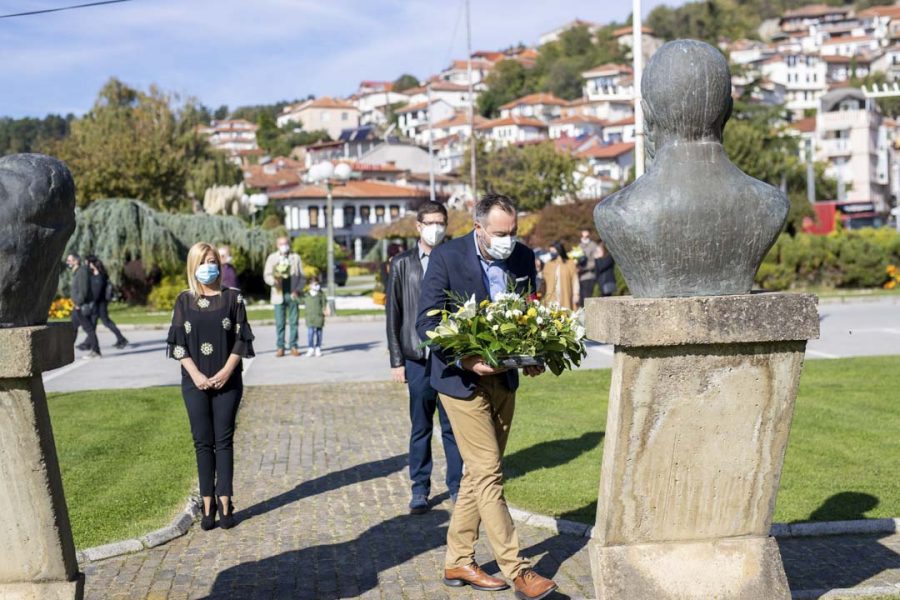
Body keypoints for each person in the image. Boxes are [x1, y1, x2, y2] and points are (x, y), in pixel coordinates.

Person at [416, 193, 558, 600]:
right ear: (478, 227)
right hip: (460, 382)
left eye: (513, 231)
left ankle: (458, 559)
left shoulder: (522, 257)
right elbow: (426, 323)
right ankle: (519, 570)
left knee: (477, 476)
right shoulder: (446, 258)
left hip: (504, 380)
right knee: (489, 472)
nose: (507, 240)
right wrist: (465, 357)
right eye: (499, 233)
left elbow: (528, 312)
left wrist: (534, 355)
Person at [166, 242, 254, 531]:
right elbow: (178, 345)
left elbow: (242, 339)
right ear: (193, 266)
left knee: (223, 441)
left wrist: (227, 371)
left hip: (228, 381)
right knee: (202, 442)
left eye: (213, 261)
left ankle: (225, 501)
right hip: (195, 383)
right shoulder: (183, 301)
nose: (208, 267)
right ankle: (207, 504)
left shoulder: (233, 298)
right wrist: (196, 375)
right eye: (203, 262)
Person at [386, 201, 463, 515]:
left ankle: (458, 487)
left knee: (452, 426)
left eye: (440, 222)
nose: (435, 228)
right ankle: (420, 488)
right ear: (418, 226)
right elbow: (394, 313)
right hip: (417, 357)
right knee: (421, 427)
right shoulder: (402, 264)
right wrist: (396, 360)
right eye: (430, 222)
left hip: (449, 358)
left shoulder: (455, 258)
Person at [263, 237, 304, 357]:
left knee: (294, 322)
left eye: (285, 243)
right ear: (277, 245)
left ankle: (294, 346)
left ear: (289, 244)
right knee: (280, 323)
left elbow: (302, 277)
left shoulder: (296, 258)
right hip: (278, 295)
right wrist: (274, 281)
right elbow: (267, 275)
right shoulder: (272, 258)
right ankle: (280, 347)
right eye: (281, 244)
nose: (284, 246)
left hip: (292, 294)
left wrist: (298, 290)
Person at [82, 256, 128, 350]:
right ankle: (87, 343)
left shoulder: (100, 275)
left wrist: (92, 300)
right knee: (93, 323)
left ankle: (122, 339)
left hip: (100, 304)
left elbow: (97, 291)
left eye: (88, 263)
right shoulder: (93, 274)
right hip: (95, 303)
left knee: (106, 322)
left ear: (92, 263)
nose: (86, 265)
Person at [66, 253, 101, 359]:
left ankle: (96, 351)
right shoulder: (77, 272)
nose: (68, 262)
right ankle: (66, 351)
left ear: (76, 261)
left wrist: (78, 303)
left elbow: (83, 290)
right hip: (77, 306)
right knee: (73, 328)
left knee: (89, 329)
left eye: (70, 260)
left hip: (81, 306)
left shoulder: (81, 272)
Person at [540, 241, 580, 310]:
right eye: (550, 251)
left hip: (565, 295)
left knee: (565, 312)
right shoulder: (548, 264)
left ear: (559, 250)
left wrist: (576, 294)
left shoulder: (569, 263)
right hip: (551, 297)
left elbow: (575, 280)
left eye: (553, 251)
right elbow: (543, 281)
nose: (552, 253)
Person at [303, 276, 327, 357]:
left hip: (319, 316)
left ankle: (318, 348)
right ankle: (310, 348)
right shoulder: (306, 294)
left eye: (317, 284)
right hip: (310, 317)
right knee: (310, 333)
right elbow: (301, 300)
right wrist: (294, 297)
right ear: (310, 285)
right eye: (314, 284)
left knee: (319, 333)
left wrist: (325, 309)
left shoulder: (321, 294)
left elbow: (324, 303)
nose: (316, 286)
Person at [577, 229, 598, 306]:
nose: (584, 237)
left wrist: (584, 268)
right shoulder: (579, 246)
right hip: (580, 276)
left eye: (586, 236)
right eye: (583, 235)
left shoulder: (593, 245)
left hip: (589, 275)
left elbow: (595, 261)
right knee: (581, 297)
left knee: (587, 296)